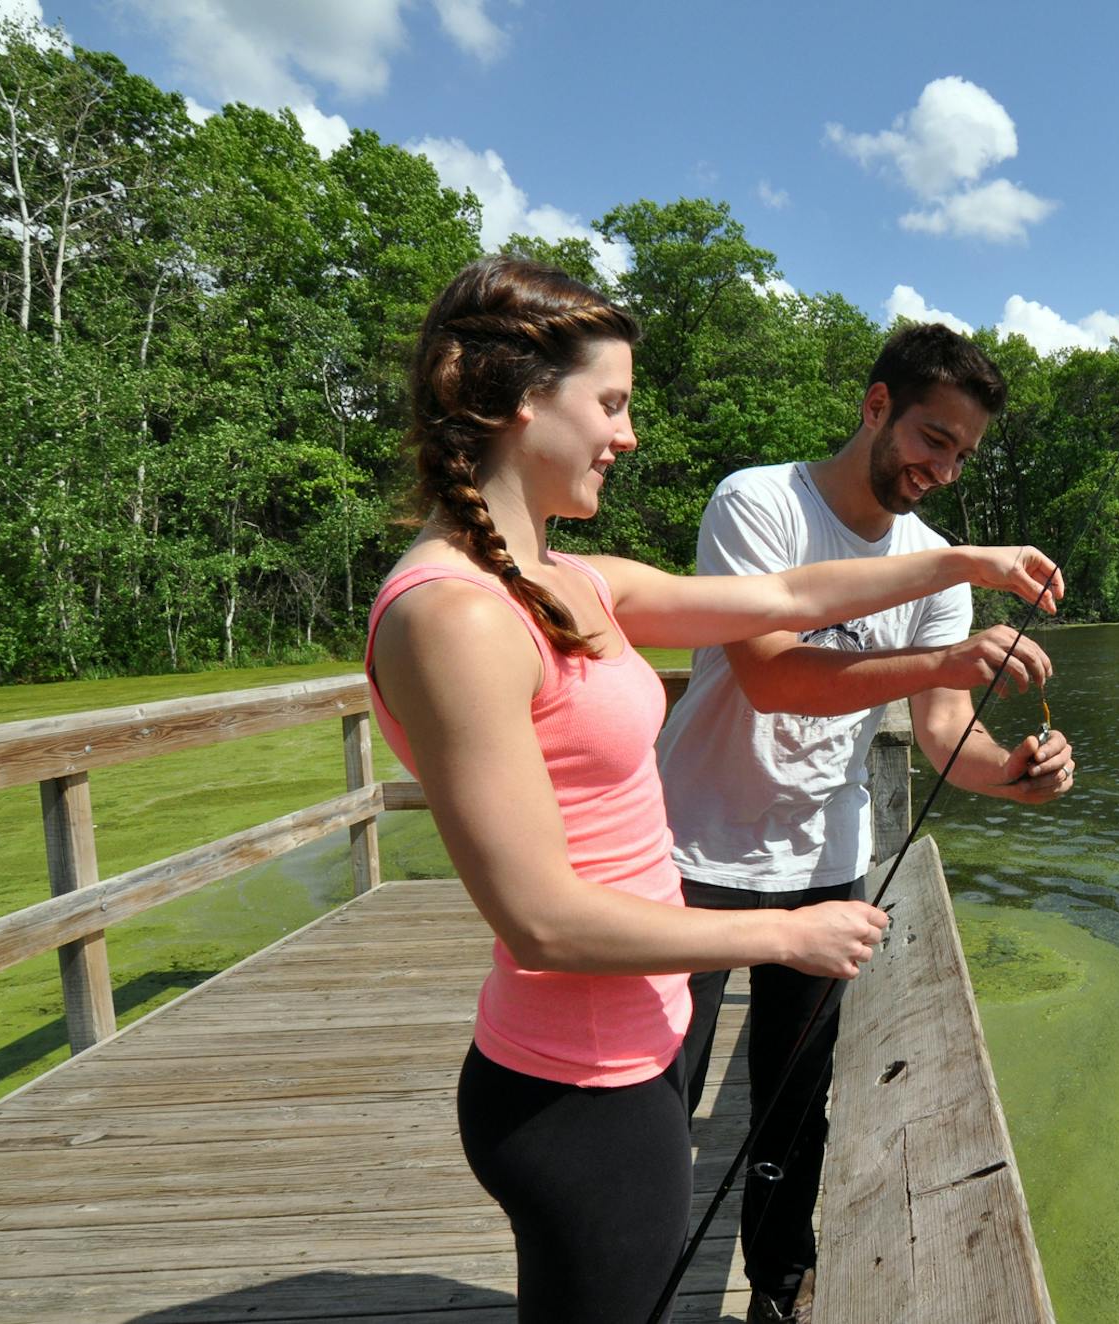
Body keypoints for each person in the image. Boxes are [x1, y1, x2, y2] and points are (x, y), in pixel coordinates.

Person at [362, 259, 1062, 1324]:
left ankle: (778, 1290)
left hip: (615, 1049)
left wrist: (963, 565)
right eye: (610, 402)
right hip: (578, 1073)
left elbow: (783, 595)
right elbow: (543, 919)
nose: (627, 433)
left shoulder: (571, 579)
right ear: (515, 400)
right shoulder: (454, 614)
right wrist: (787, 938)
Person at [657, 323, 1078, 1322]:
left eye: (964, 454)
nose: (944, 467)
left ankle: (775, 1288)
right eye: (934, 437)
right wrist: (948, 654)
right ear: (876, 405)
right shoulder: (758, 503)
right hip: (696, 851)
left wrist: (1015, 773)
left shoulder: (935, 562)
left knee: (795, 1109)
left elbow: (940, 738)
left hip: (822, 860)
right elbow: (766, 673)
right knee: (652, 1097)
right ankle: (631, 1276)